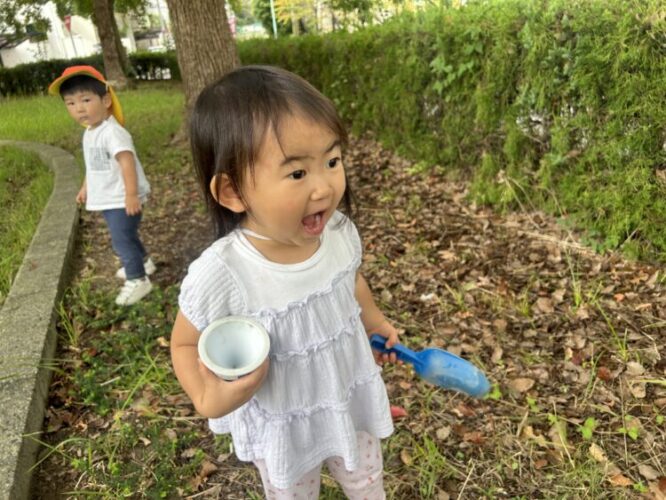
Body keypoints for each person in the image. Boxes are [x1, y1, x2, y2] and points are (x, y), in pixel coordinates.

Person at [170, 65, 400, 499]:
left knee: (366, 478)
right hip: (284, 423)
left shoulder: (338, 233)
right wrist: (207, 398)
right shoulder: (224, 272)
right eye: (297, 173)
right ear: (233, 192)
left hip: (345, 396)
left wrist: (373, 321)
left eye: (332, 161)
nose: (324, 188)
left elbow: (350, 281)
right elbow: (184, 343)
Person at [48, 66, 155, 306]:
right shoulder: (90, 132)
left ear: (106, 100)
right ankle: (144, 262)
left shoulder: (112, 132)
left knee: (121, 239)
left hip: (121, 198)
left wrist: (131, 194)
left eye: (86, 100)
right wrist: (85, 187)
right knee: (126, 235)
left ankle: (138, 279)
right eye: (71, 103)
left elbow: (126, 161)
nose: (79, 108)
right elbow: (93, 165)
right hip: (109, 196)